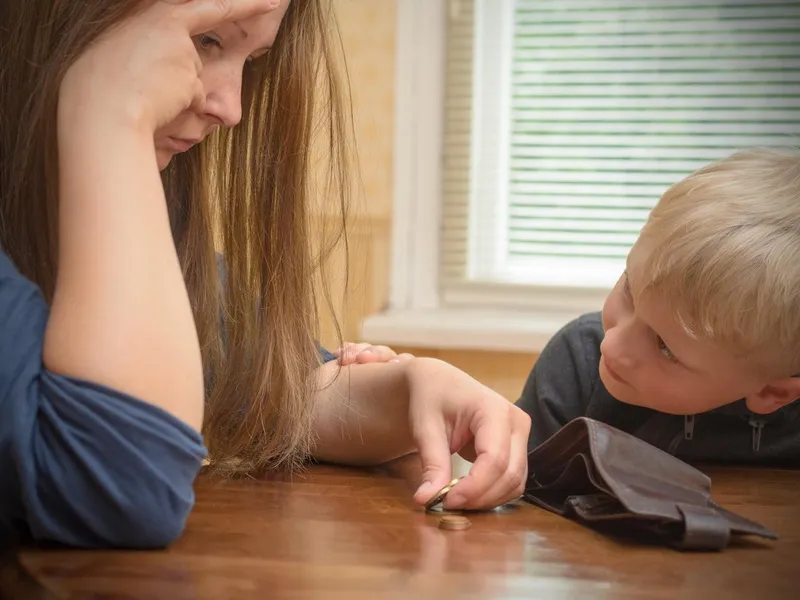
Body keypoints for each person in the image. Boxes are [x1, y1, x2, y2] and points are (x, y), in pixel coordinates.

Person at [0, 0, 531, 549]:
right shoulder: (119, 161)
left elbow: (275, 391)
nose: (231, 107)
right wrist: (110, 110)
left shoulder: (157, 221)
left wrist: (416, 386)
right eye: (207, 42)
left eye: (251, 61)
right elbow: (121, 491)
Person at [516, 147, 800, 465]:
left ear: (772, 393)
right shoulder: (577, 363)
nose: (613, 346)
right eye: (629, 290)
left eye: (664, 347)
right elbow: (520, 495)